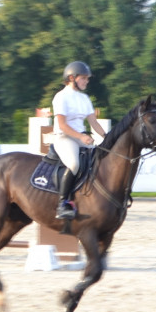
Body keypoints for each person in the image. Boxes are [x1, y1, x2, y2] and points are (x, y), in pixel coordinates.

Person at [52, 61, 107, 221]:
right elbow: (62, 124)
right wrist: (81, 136)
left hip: (81, 137)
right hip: (64, 137)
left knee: (101, 158)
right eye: (83, 78)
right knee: (74, 164)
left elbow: (94, 123)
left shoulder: (84, 98)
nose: (87, 81)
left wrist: (108, 137)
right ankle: (62, 204)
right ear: (71, 78)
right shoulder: (61, 97)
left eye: (87, 78)